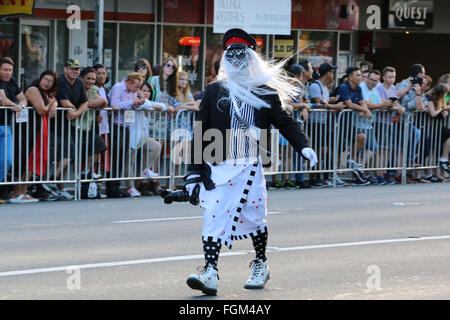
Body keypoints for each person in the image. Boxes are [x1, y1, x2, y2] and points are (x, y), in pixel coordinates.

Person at [183, 29, 317, 296]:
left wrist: (303, 146)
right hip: (219, 166)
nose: (235, 59)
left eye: (240, 54)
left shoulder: (265, 93)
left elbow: (285, 122)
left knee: (254, 218)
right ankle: (210, 271)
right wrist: (194, 174)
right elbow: (200, 131)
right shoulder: (213, 92)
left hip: (250, 165)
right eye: (230, 55)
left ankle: (260, 264)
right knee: (213, 216)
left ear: (250, 58)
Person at [42, 59, 89, 200]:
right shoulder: (60, 80)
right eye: (72, 69)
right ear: (65, 69)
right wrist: (74, 109)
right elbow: (64, 101)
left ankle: (54, 182)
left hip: (67, 126)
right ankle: (43, 186)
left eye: (77, 69)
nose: (75, 71)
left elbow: (85, 102)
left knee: (68, 156)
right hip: (52, 125)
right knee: (49, 157)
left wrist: (77, 113)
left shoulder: (79, 82)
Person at [10, 70, 59, 203]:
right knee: (22, 160)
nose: (47, 83)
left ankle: (23, 192)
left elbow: (51, 103)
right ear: (40, 78)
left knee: (32, 162)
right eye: (45, 79)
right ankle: (16, 193)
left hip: (39, 130)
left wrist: (54, 103)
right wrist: (52, 103)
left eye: (51, 81)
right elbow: (41, 110)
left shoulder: (46, 94)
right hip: (28, 130)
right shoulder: (33, 89)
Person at [308, 62, 345, 187]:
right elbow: (319, 103)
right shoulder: (315, 85)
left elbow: (324, 102)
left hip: (325, 123)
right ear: (327, 73)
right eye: (332, 72)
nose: (333, 74)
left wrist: (330, 102)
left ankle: (324, 178)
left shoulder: (325, 87)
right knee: (320, 150)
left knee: (326, 150)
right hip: (315, 123)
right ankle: (315, 178)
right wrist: (334, 105)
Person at [108, 72, 144, 198]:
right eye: (136, 86)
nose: (137, 89)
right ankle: (111, 187)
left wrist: (138, 103)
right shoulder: (118, 87)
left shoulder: (132, 91)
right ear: (129, 82)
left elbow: (131, 105)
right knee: (115, 157)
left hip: (126, 125)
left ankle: (116, 186)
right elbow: (114, 105)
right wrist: (131, 102)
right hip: (116, 125)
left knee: (122, 157)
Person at [127, 81, 164, 197]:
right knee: (130, 161)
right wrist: (152, 105)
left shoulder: (147, 102)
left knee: (156, 146)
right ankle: (131, 187)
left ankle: (145, 169)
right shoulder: (135, 102)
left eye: (148, 91)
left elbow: (163, 106)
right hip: (131, 136)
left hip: (142, 137)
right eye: (143, 90)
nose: (146, 93)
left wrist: (153, 105)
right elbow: (146, 105)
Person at [0, 57, 28, 203]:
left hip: (6, 126)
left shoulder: (12, 82)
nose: (8, 72)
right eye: (5, 69)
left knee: (7, 160)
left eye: (10, 70)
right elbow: (2, 99)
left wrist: (21, 106)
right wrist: (14, 105)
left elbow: (23, 99)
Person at [336, 67, 371, 186]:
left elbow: (362, 102)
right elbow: (350, 104)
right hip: (336, 123)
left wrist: (364, 108)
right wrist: (364, 110)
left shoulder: (359, 88)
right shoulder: (343, 87)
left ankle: (351, 159)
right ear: (350, 77)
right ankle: (334, 175)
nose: (360, 77)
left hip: (348, 123)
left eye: (361, 75)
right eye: (357, 75)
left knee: (361, 136)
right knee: (337, 149)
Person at [358, 69, 393, 183]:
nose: (372, 82)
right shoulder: (362, 87)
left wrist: (382, 104)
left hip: (369, 123)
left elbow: (379, 103)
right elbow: (367, 105)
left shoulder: (376, 89)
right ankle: (359, 171)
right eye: (371, 79)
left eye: (375, 81)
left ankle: (360, 170)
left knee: (373, 148)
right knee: (363, 150)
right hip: (359, 123)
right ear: (367, 78)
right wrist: (382, 104)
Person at [78, 67, 108, 199]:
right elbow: (80, 103)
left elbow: (104, 101)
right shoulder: (78, 88)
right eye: (88, 78)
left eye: (93, 79)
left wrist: (92, 104)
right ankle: (58, 182)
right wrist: (90, 104)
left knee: (99, 146)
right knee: (73, 155)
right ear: (82, 78)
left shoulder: (93, 89)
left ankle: (87, 172)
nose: (90, 81)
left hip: (89, 125)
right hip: (76, 125)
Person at [375, 66, 404, 185]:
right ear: (383, 77)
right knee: (381, 149)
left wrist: (399, 108)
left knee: (387, 149)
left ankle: (384, 172)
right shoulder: (380, 88)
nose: (392, 79)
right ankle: (378, 174)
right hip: (380, 121)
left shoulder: (394, 88)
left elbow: (395, 102)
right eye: (390, 77)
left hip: (390, 121)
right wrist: (394, 106)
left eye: (394, 77)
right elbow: (384, 103)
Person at [425, 83, 450, 180]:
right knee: (430, 150)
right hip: (427, 126)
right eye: (443, 94)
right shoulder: (429, 97)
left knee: (436, 149)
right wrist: (440, 109)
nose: (444, 97)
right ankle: (429, 174)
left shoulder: (439, 99)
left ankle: (440, 166)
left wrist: (444, 111)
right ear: (439, 93)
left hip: (436, 126)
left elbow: (440, 111)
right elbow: (433, 113)